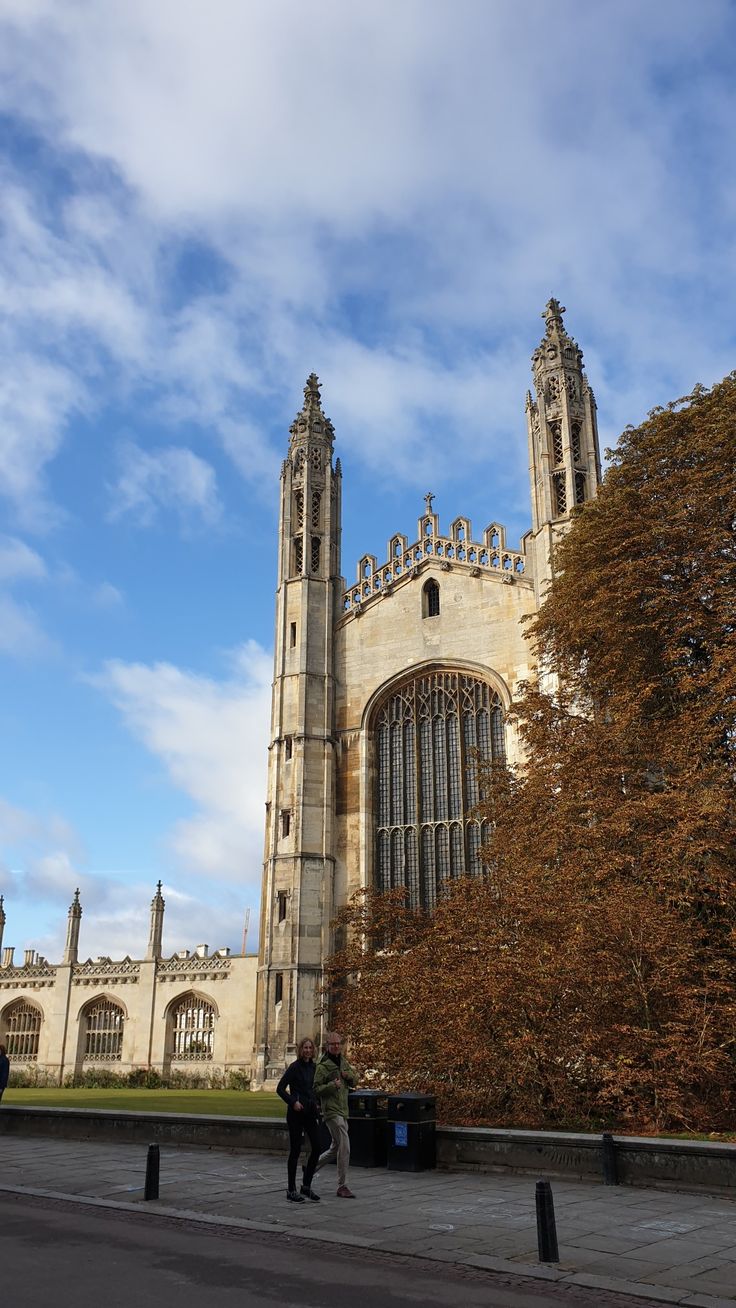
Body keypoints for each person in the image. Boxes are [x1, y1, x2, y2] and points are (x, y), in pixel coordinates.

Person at [276, 1036, 322, 1203]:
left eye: (310, 1048)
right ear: (300, 1050)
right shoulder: (294, 1067)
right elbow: (280, 1089)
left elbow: (314, 1090)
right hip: (296, 1114)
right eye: (305, 1048)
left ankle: (306, 1185)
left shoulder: (314, 1068)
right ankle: (291, 1189)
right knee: (295, 1151)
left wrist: (317, 1104)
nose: (308, 1050)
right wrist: (292, 1102)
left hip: (309, 1113)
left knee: (317, 1147)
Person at [313, 1031, 357, 1198]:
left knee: (335, 1147)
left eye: (338, 1043)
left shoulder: (343, 1062)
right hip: (331, 1111)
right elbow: (315, 1089)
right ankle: (342, 1186)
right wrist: (332, 1085)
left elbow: (355, 1079)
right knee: (345, 1146)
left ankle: (310, 1167)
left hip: (343, 1109)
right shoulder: (322, 1066)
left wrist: (349, 1076)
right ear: (327, 1046)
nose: (336, 1046)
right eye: (333, 1044)